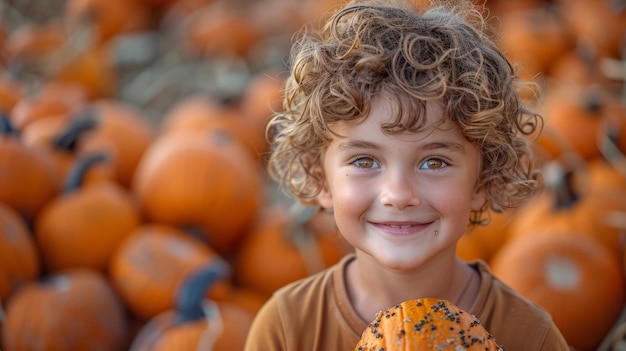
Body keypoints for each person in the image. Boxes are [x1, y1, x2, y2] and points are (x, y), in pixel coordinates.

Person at [244, 0, 571, 350]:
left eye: (434, 163)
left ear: (483, 179)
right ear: (320, 177)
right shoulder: (287, 328)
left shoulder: (529, 336)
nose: (398, 194)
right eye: (365, 161)